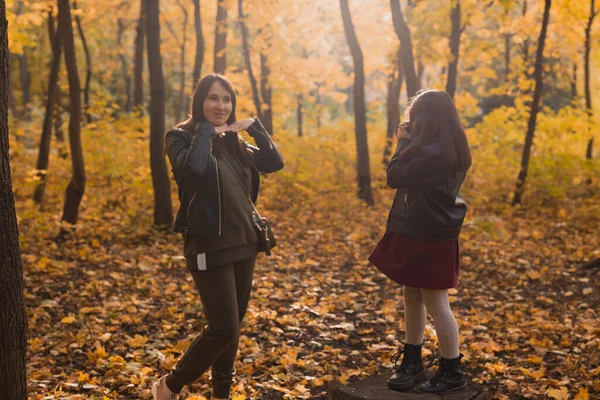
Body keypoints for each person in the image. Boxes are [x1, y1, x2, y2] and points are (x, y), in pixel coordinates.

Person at [153, 73, 284, 400]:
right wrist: (205, 131)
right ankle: (169, 385)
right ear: (199, 101)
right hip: (208, 244)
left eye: (226, 99)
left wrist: (256, 128)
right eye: (213, 98)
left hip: (245, 242)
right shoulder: (179, 137)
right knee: (223, 327)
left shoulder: (235, 141)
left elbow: (273, 162)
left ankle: (221, 394)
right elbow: (194, 170)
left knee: (232, 329)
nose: (221, 105)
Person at [368, 89, 472, 394]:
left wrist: (402, 143)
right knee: (410, 293)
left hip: (430, 235)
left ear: (427, 119)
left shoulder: (432, 154)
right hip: (421, 231)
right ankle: (412, 360)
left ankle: (452, 370)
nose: (409, 122)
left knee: (436, 301)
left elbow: (395, 175)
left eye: (414, 117)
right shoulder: (440, 148)